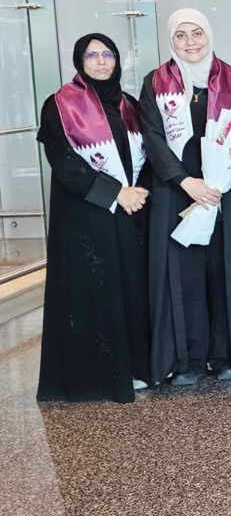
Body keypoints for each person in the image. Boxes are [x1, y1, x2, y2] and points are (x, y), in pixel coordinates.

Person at [139, 8, 231, 385]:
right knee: (185, 274)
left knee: (225, 269)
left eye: (197, 33)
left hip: (225, 188)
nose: (191, 42)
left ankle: (229, 355)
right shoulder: (155, 82)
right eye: (181, 35)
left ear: (209, 35)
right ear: (171, 41)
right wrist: (184, 181)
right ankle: (188, 359)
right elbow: (152, 138)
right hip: (178, 191)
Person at [36, 33, 151, 402]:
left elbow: (145, 155)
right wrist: (116, 192)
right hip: (85, 218)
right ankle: (97, 378)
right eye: (92, 55)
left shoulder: (129, 104)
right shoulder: (59, 105)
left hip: (128, 215)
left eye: (108, 54)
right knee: (95, 292)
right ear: (79, 60)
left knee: (129, 291)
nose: (101, 61)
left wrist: (137, 193)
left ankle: (133, 367)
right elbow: (65, 163)